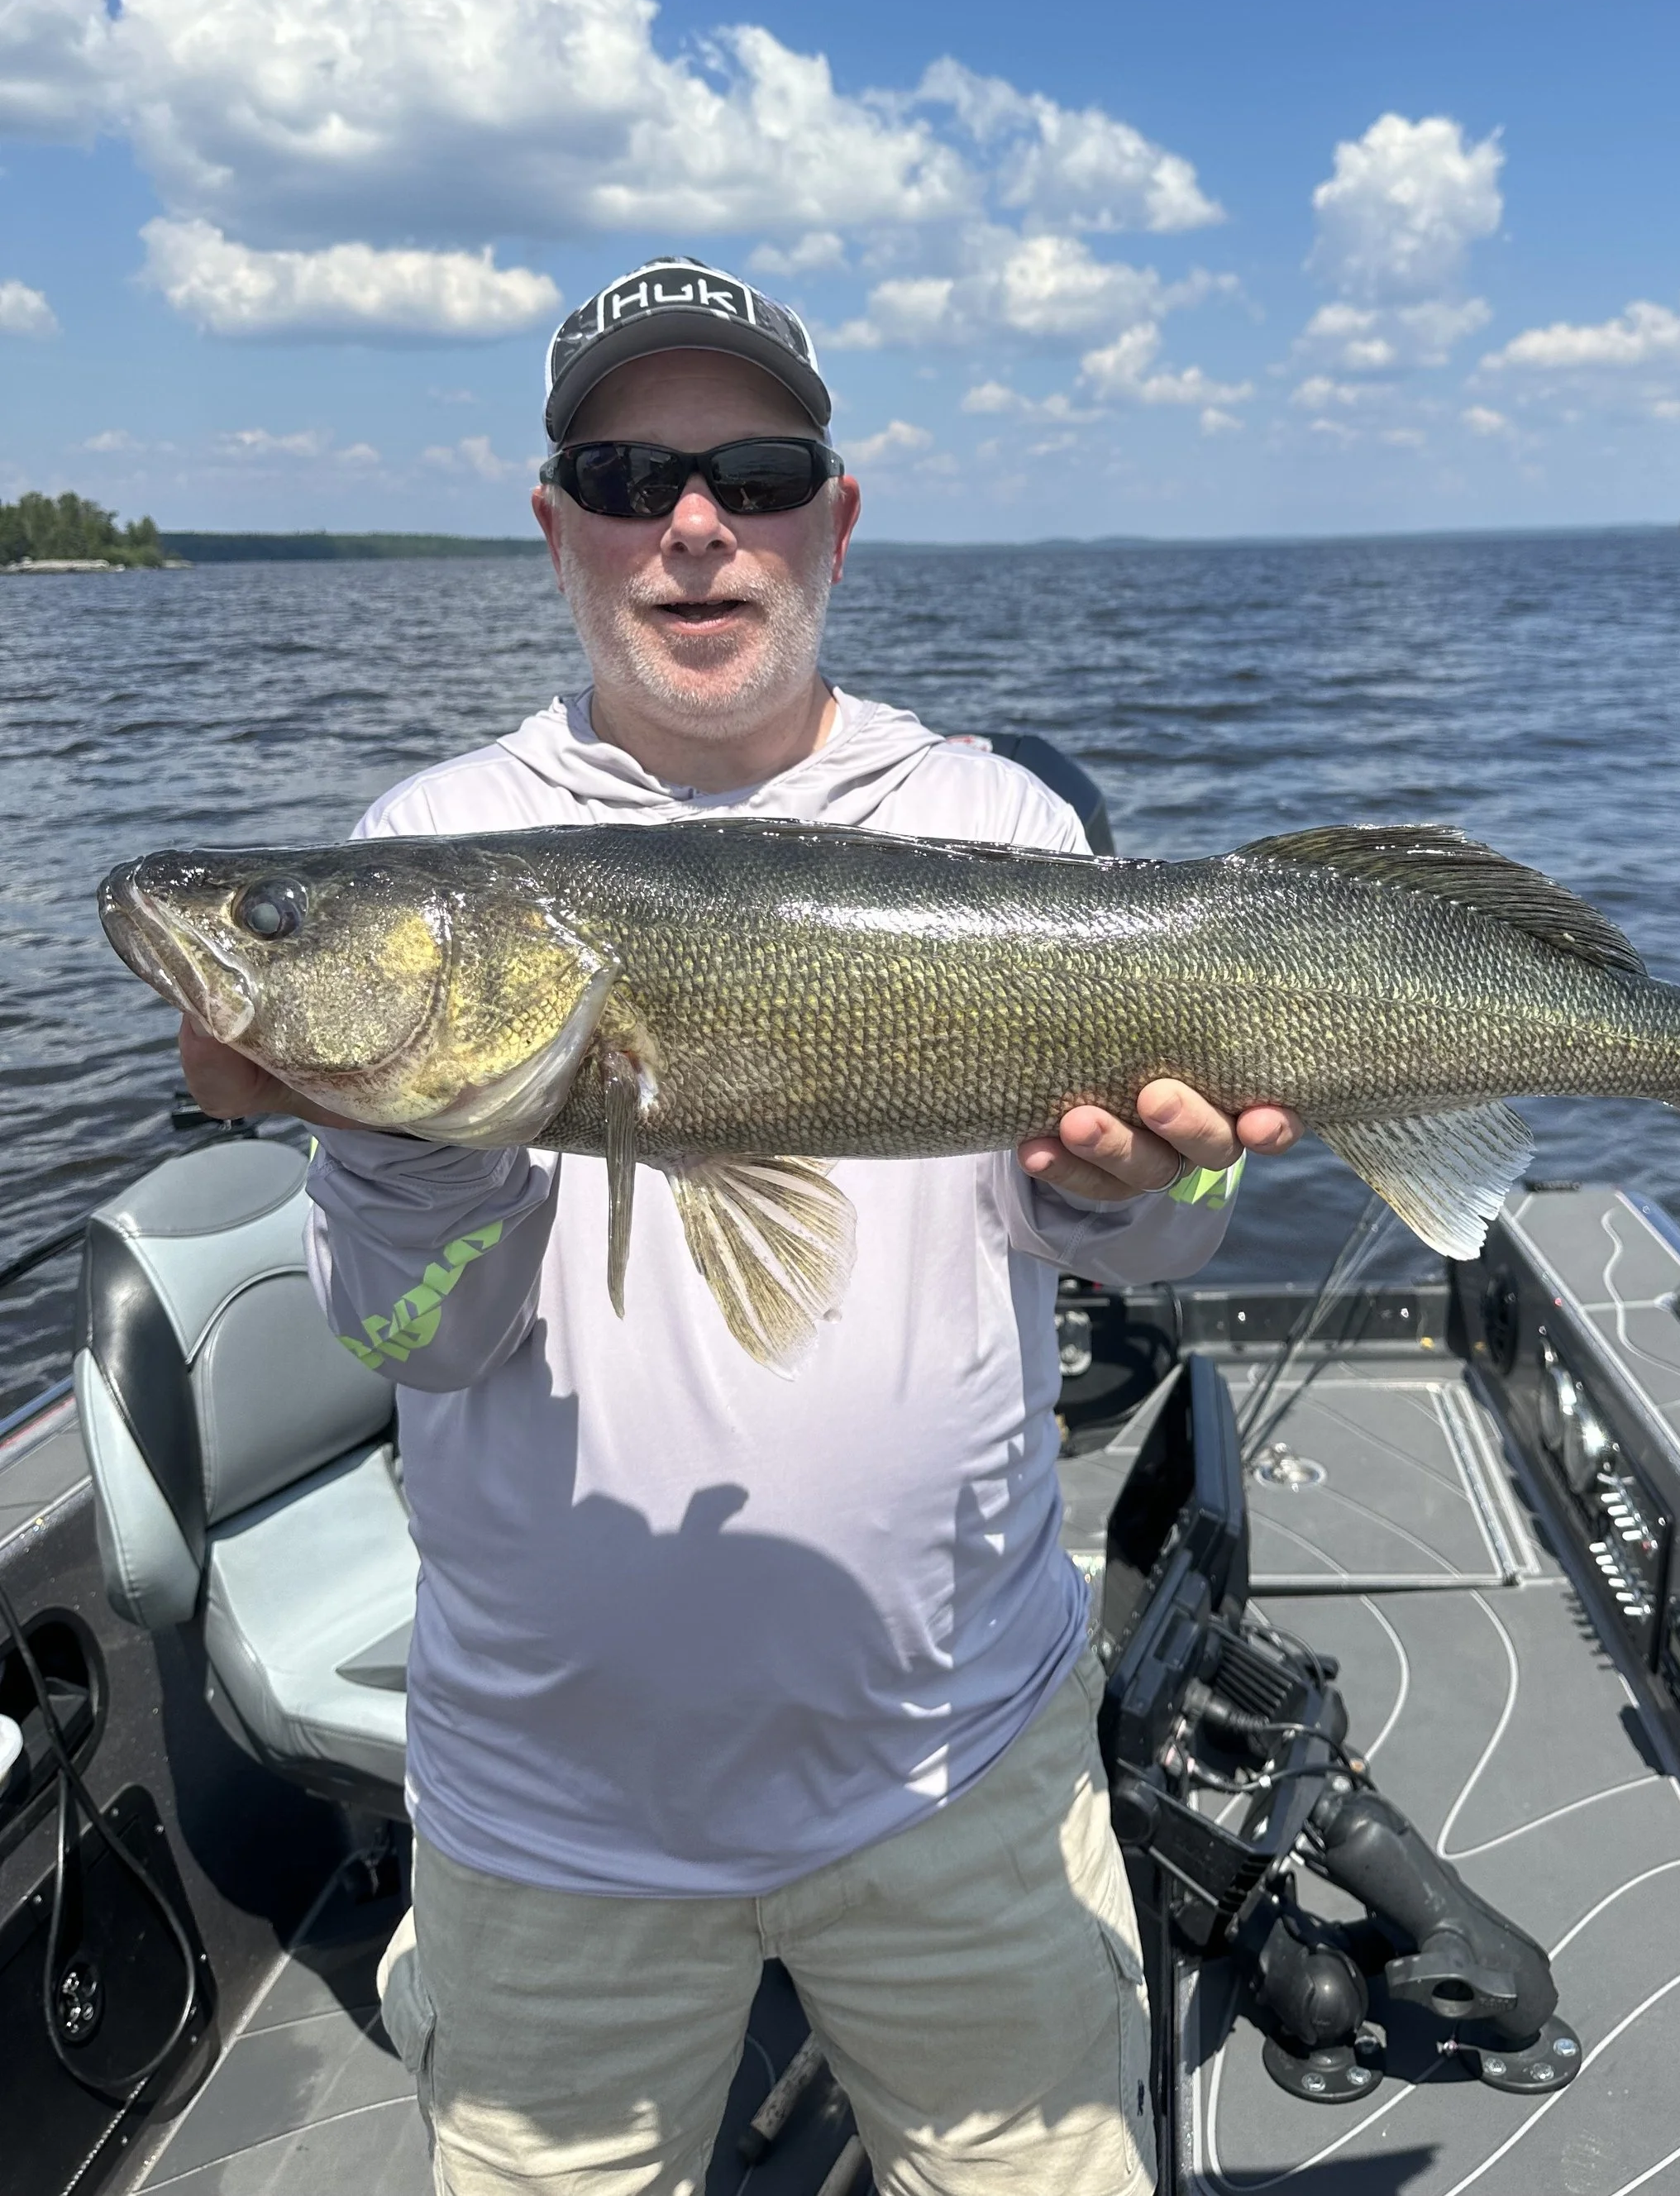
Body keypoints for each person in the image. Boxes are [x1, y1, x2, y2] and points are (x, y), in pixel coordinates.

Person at [180, 253, 1302, 2196]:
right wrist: (400, 1126)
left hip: (968, 1774)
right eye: (626, 483)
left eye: (756, 471)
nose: (692, 527)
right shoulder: (436, 831)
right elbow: (415, 1335)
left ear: (833, 520)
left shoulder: (994, 824)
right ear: (557, 533)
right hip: (548, 1831)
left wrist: (1147, 1185)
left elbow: (1148, 1250)